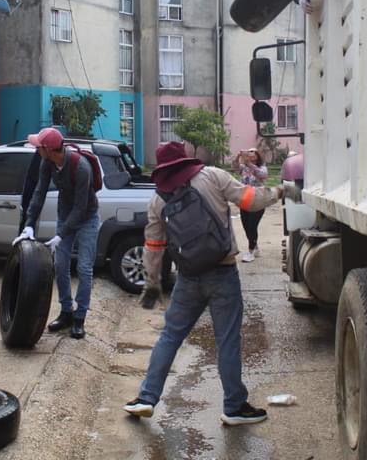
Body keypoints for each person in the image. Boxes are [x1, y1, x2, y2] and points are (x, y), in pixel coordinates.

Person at [123, 142, 298, 426]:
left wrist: (152, 284)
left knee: (170, 337)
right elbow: (250, 200)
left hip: (188, 278)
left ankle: (146, 398)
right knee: (227, 339)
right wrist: (280, 191)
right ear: (185, 160)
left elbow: (153, 246)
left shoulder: (158, 200)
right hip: (223, 271)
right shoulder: (212, 176)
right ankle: (234, 406)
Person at [13, 127, 100, 339]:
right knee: (60, 265)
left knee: (84, 268)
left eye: (38, 146)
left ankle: (79, 318)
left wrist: (61, 234)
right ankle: (66, 312)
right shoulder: (47, 163)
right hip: (65, 215)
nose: (36, 149)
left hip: (87, 218)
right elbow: (39, 192)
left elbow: (81, 208)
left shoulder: (81, 167)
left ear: (49, 149)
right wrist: (29, 223)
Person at [232, 148, 268, 262]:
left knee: (252, 226)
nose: (250, 154)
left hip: (258, 200)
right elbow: (234, 167)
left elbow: (262, 175)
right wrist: (238, 157)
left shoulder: (262, 167)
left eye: (253, 152)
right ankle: (255, 246)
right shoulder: (244, 168)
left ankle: (250, 251)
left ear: (257, 155)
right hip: (245, 200)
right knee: (246, 226)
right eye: (249, 152)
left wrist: (248, 163)